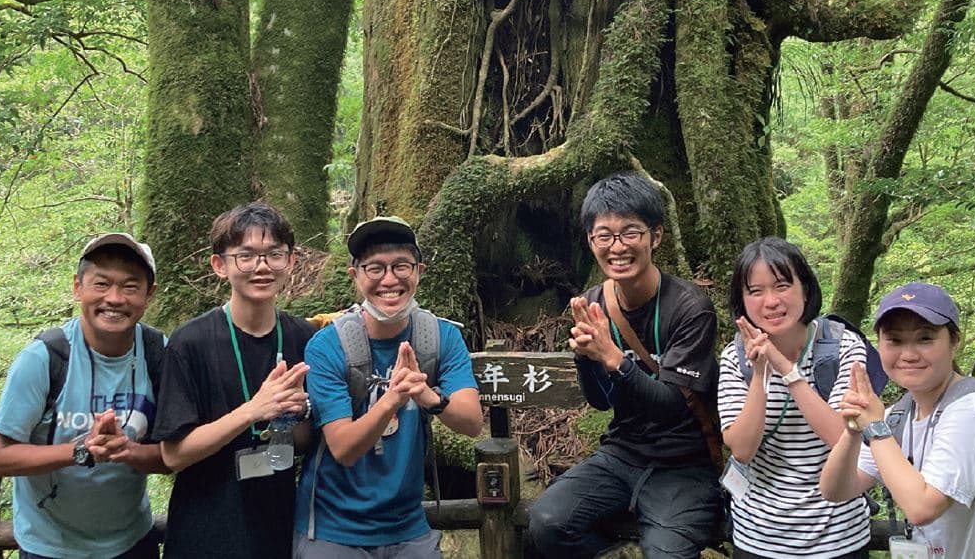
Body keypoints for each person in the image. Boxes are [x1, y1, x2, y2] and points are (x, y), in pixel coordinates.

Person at [527, 172, 723, 558]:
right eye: (604, 235)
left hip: (684, 462)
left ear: (656, 236)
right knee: (547, 522)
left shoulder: (689, 308)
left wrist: (613, 358)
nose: (617, 247)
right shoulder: (594, 302)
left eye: (630, 232)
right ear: (591, 241)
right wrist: (587, 360)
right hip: (622, 453)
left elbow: (669, 404)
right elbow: (600, 403)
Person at [293, 215, 482, 558]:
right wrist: (392, 399)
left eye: (401, 266)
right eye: (375, 268)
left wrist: (429, 396)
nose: (389, 280)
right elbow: (343, 448)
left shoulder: (441, 337)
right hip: (333, 527)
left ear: (419, 271)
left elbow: (471, 422)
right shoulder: (327, 346)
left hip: (408, 525)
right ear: (356, 276)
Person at [820, 282, 975, 559]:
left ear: (954, 341)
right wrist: (853, 430)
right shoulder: (899, 416)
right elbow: (835, 490)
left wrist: (874, 428)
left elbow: (922, 507)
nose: (909, 355)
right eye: (895, 341)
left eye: (925, 338)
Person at [0, 233, 168, 559]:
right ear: (77, 287)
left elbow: (173, 454)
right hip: (52, 546)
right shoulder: (45, 358)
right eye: (101, 284)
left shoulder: (158, 353)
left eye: (130, 286)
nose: (114, 298)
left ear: (148, 294)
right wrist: (81, 450)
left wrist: (127, 450)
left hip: (132, 541)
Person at [152, 201, 315, 558]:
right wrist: (252, 410)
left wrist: (294, 414)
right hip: (204, 533)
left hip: (278, 530)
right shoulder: (189, 342)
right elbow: (173, 455)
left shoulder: (305, 338)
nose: (261, 266)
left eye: (274, 254)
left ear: (290, 261)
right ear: (220, 265)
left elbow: (303, 442)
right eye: (246, 255)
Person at [717, 236, 870, 559]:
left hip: (839, 536)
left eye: (782, 285)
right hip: (759, 538)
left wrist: (786, 369)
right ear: (741, 301)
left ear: (805, 288)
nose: (770, 301)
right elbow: (742, 450)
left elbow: (842, 437)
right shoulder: (735, 357)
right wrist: (759, 374)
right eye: (755, 291)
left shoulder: (843, 347)